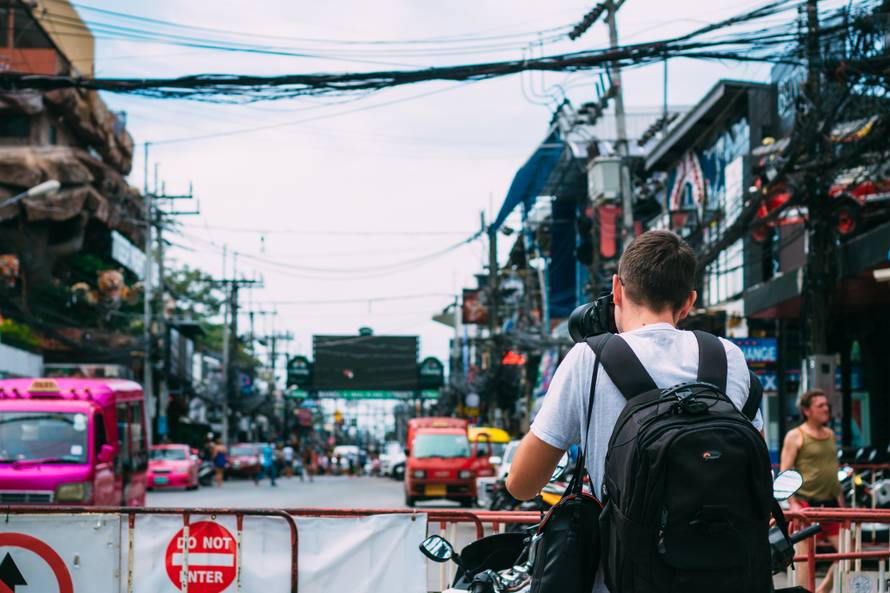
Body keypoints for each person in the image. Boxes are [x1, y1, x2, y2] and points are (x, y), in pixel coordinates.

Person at [506, 230, 762, 593]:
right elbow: (754, 479)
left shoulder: (588, 360)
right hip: (721, 578)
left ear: (617, 289)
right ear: (688, 302)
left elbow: (521, 484)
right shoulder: (729, 358)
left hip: (624, 579)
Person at [780, 389, 844, 593]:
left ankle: (822, 591)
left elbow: (833, 472)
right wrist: (793, 504)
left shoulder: (831, 435)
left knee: (847, 553)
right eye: (820, 405)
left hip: (831, 504)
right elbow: (785, 473)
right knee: (806, 561)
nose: (826, 409)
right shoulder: (795, 435)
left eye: (827, 405)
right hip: (806, 505)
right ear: (807, 411)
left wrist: (842, 505)